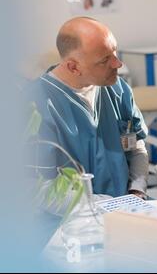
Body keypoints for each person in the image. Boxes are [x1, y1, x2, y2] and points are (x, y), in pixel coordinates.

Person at [28, 17, 149, 199]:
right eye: (104, 60)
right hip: (68, 220)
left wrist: (137, 190)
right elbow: (36, 187)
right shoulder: (35, 105)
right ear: (73, 67)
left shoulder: (118, 89)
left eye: (114, 52)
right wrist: (94, 206)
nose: (118, 64)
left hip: (126, 208)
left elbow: (136, 145)